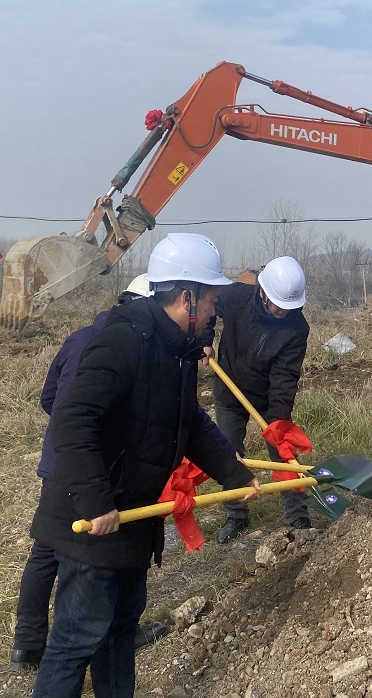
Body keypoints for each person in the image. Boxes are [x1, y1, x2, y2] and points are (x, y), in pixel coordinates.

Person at [29, 234, 258, 698]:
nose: (214, 312)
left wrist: (235, 475)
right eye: (212, 301)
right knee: (76, 641)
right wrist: (96, 502)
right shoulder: (123, 340)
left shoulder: (178, 351)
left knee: (119, 637)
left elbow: (189, 422)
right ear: (187, 297)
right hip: (93, 520)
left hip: (135, 518)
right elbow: (72, 420)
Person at [9, 275, 169, 672]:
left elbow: (49, 397)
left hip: (59, 460)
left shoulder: (78, 337)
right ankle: (110, 635)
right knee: (94, 555)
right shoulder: (132, 348)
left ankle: (27, 643)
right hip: (93, 468)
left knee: (45, 551)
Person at [211, 255, 311, 542]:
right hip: (229, 388)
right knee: (230, 454)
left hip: (268, 397)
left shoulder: (296, 327)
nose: (283, 313)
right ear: (263, 292)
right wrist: (203, 340)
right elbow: (206, 305)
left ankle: (298, 514)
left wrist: (278, 421)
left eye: (288, 308)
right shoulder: (235, 297)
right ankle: (236, 515)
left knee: (283, 451)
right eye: (278, 306)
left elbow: (285, 376)